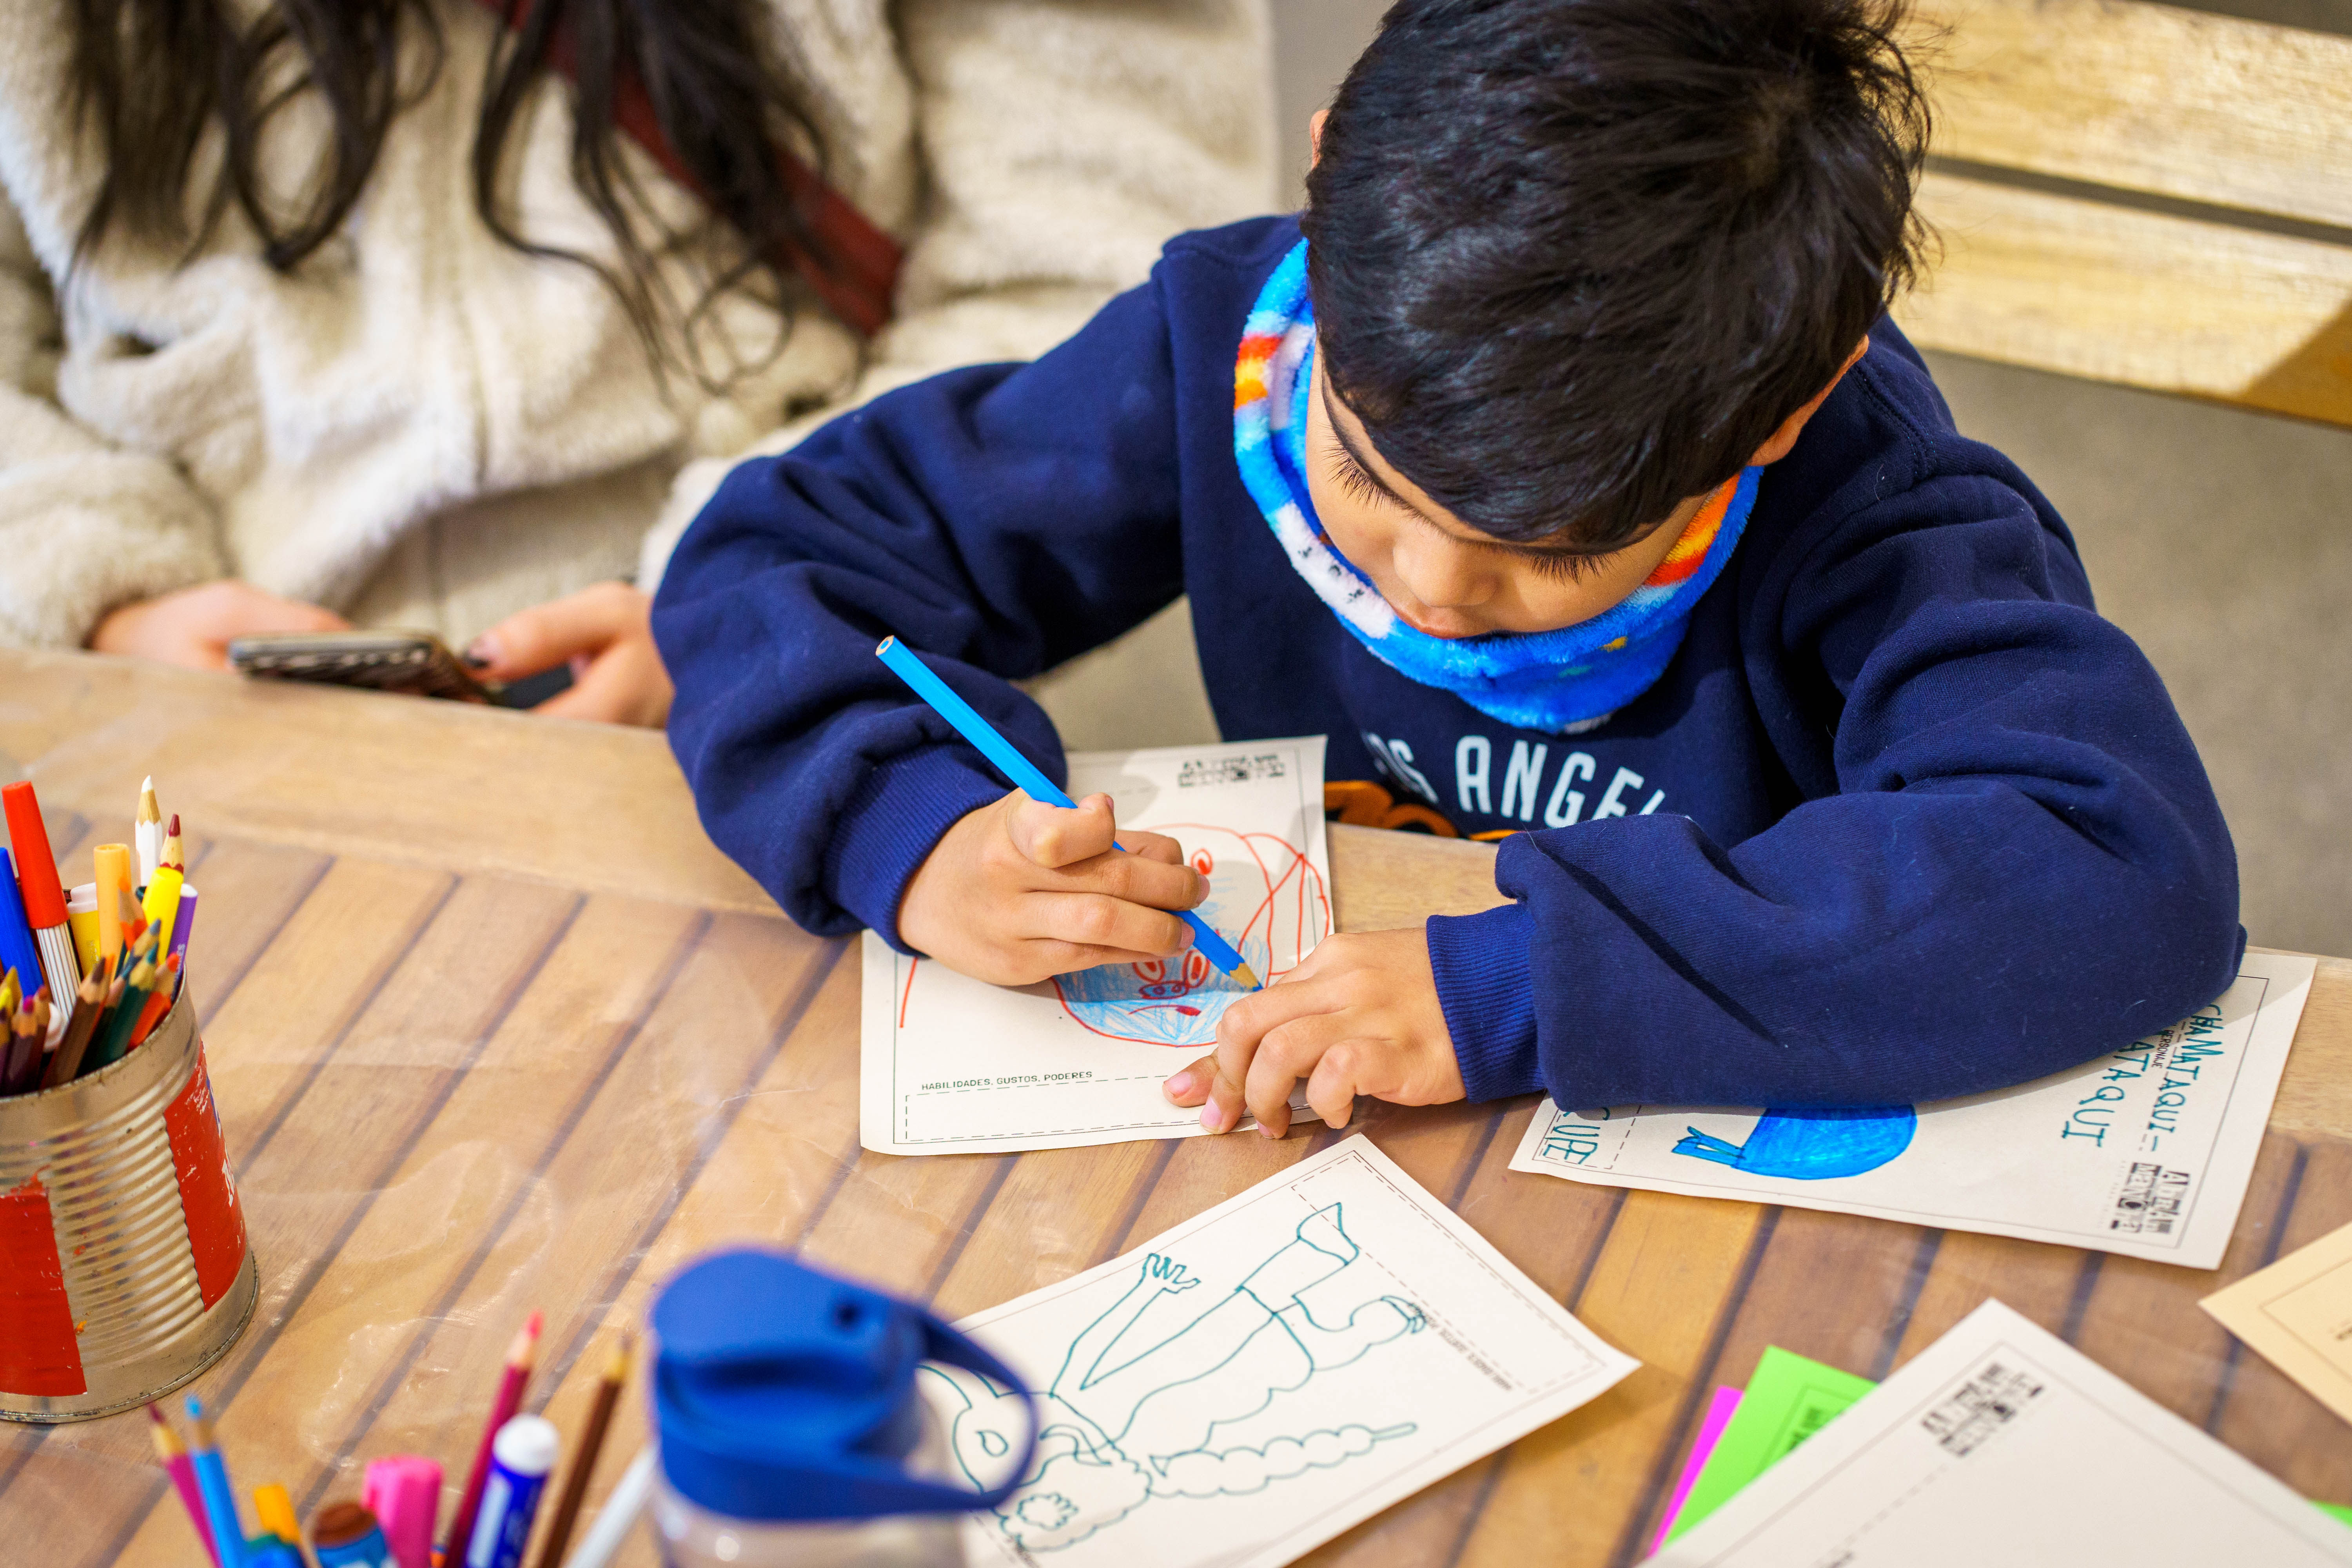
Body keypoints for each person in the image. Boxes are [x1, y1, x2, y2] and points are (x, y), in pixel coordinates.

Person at [653, 0, 2241, 1132]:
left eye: (1554, 555)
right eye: (1360, 467)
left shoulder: (1866, 503)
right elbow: (776, 558)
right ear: (1330, 170)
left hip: (1665, 1134)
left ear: (1795, 395)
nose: (1425, 589)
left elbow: (2115, 865)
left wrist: (1522, 982)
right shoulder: (1228, 342)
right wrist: (906, 831)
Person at [0, 0, 1273, 723]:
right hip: (191, 726)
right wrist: (103, 589)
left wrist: (760, 595)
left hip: (811, 674)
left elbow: (1106, 298)